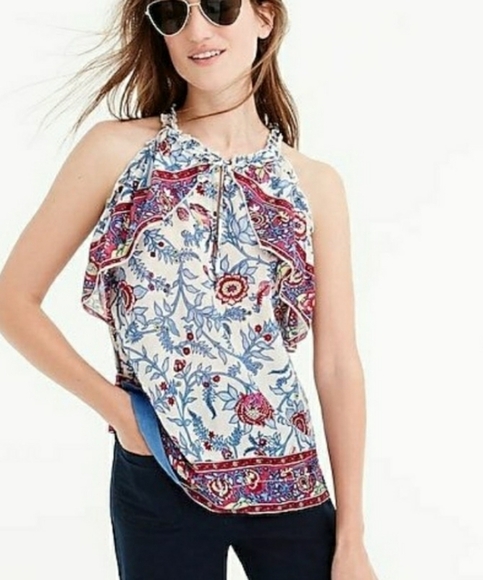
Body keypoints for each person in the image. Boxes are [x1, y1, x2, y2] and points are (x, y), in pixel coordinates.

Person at [0, 1, 379, 579]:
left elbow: (337, 365)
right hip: (159, 474)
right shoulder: (116, 151)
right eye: (173, 13)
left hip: (290, 481)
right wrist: (124, 416)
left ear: (264, 17)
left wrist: (351, 537)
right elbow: (12, 299)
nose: (197, 30)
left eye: (219, 7)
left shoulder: (315, 183)